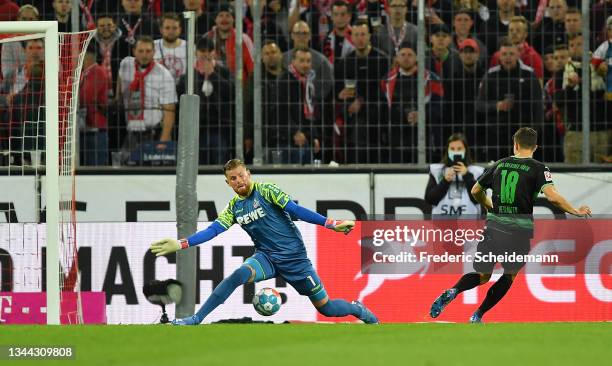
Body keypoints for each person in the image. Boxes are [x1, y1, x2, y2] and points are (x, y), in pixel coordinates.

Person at [150, 159, 379, 325]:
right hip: (267, 258)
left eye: (241, 175)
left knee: (327, 309)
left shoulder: (267, 191)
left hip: (296, 260)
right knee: (238, 275)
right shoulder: (234, 208)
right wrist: (181, 244)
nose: (238, 180)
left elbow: (296, 210)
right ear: (227, 183)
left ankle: (356, 309)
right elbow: (213, 231)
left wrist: (331, 223)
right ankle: (196, 318)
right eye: (233, 178)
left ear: (248, 173)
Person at [429, 127, 591, 323]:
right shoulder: (539, 168)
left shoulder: (500, 164)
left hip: (493, 229)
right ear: (535, 147)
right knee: (509, 275)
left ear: (515, 145)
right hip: (518, 234)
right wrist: (575, 210)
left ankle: (454, 290)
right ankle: (477, 314)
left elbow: (475, 190)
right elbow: (552, 197)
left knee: (482, 274)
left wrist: (489, 206)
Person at [476, 37, 543, 161]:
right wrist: (497, 106)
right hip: (496, 136)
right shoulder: (491, 75)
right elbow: (479, 104)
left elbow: (538, 106)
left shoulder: (528, 74)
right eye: (504, 54)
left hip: (523, 135)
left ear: (518, 54)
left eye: (511, 54)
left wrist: (534, 132)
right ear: (499, 56)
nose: (508, 57)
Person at [117, 36, 177, 164]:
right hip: (130, 133)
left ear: (154, 52)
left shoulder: (164, 75)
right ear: (134, 51)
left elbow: (169, 111)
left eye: (148, 51)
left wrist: (164, 141)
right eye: (141, 51)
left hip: (153, 133)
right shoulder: (126, 65)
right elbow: (119, 83)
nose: (144, 55)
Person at [425, 133, 484, 216]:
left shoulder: (476, 171)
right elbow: (430, 199)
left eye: (459, 149)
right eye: (452, 149)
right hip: (442, 224)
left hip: (469, 225)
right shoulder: (436, 170)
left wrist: (467, 176)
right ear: (447, 151)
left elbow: (481, 200)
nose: (456, 152)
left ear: (465, 150)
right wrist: (445, 181)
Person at [79, 45, 110, 166]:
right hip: (85, 130)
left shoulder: (97, 72)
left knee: (94, 171)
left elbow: (85, 97)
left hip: (96, 132)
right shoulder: (85, 73)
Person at [154, 13, 187, 85]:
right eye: (167, 28)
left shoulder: (189, 48)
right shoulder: (152, 47)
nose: (171, 31)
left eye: (174, 28)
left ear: (180, 29)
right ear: (161, 30)